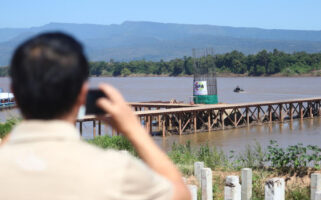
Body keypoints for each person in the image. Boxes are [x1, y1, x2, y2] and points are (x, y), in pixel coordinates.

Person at [0, 32, 191, 200]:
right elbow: (181, 195)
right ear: (83, 95)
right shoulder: (115, 171)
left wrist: (32, 112)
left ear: (14, 93)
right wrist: (134, 130)